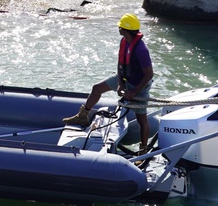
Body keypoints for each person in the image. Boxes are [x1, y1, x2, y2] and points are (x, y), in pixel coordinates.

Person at [62, 14, 154, 153]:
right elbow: (120, 62)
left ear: (125, 29)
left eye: (120, 27)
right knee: (97, 88)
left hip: (139, 84)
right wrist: (120, 83)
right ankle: (82, 116)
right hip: (125, 77)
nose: (118, 28)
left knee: (141, 118)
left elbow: (149, 74)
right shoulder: (124, 41)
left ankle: (143, 149)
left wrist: (134, 91)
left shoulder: (141, 50)